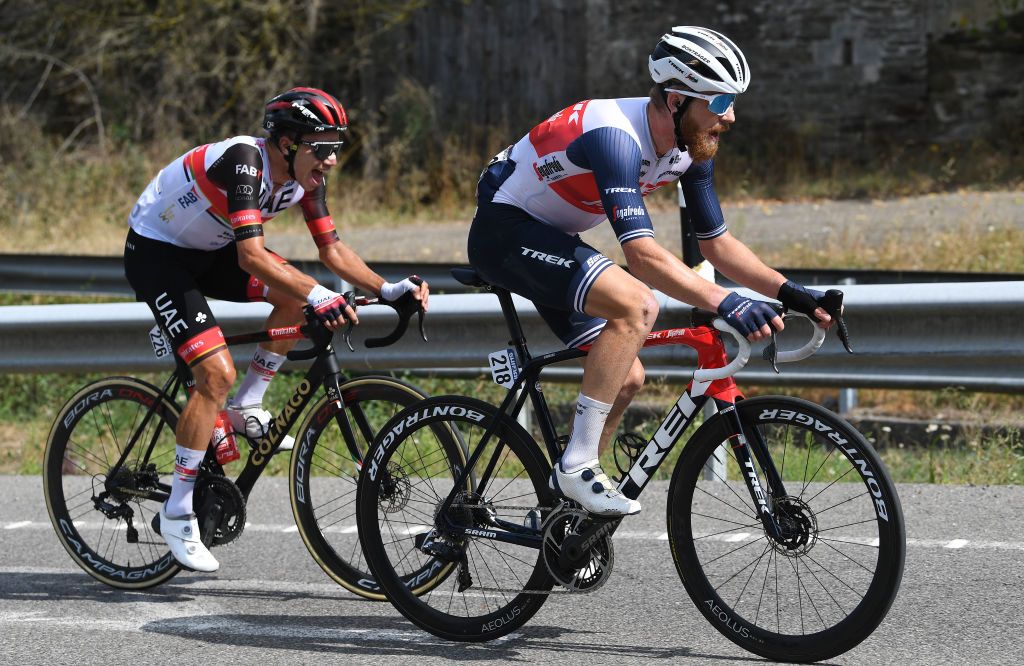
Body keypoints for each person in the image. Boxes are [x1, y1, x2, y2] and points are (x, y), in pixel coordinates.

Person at [467, 26, 832, 517]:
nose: (730, 115)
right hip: (504, 229)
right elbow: (641, 256)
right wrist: (725, 300)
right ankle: (576, 467)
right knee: (638, 304)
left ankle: (563, 513)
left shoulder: (689, 146)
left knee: (626, 375)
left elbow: (718, 245)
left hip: (551, 236)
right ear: (678, 99)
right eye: (720, 99)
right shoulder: (615, 135)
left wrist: (792, 292)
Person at [123, 87, 428, 571]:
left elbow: (332, 250)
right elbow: (251, 256)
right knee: (214, 375)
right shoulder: (245, 161)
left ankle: (247, 404)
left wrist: (386, 288)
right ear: (286, 142)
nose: (330, 160)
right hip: (159, 256)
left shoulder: (304, 178)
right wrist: (319, 294)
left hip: (208, 252)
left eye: (336, 148)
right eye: (321, 147)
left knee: (292, 296)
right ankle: (178, 511)